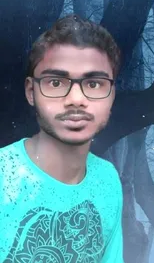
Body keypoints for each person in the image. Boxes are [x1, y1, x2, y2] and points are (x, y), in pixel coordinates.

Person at [0, 14, 124, 263]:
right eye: (56, 82)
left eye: (93, 83)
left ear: (112, 94)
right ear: (31, 91)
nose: (76, 99)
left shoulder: (108, 180)